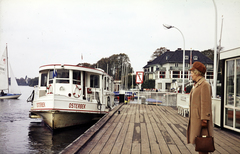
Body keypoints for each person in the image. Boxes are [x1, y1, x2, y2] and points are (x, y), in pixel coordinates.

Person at [186, 61, 214, 154]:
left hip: (201, 121)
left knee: (203, 144)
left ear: (197, 72)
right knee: (199, 144)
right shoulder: (197, 84)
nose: (191, 74)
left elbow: (206, 103)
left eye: (192, 72)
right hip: (196, 119)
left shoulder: (204, 85)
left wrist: (205, 119)